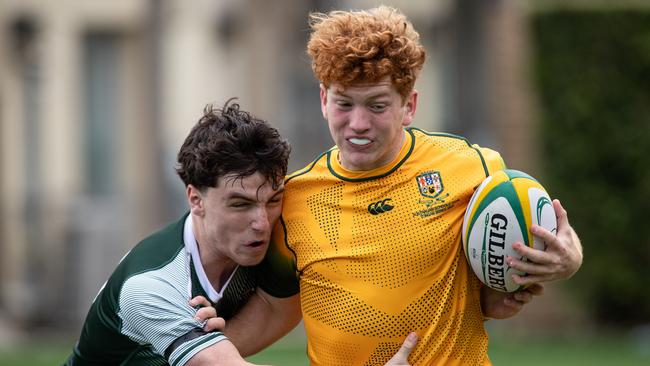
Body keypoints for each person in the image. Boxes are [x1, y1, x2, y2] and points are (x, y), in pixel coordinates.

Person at [224, 6, 583, 365]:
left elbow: (531, 240)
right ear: (323, 100)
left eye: (377, 105)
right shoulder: (294, 200)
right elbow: (275, 307)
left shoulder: (472, 166)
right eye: (344, 104)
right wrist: (191, 347)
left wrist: (567, 260)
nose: (358, 123)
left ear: (408, 105)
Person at [63, 100, 300, 366]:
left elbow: (279, 308)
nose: (262, 223)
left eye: (272, 201)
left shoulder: (275, 234)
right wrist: (211, 349)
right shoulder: (150, 285)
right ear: (196, 200)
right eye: (240, 204)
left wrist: (220, 341)